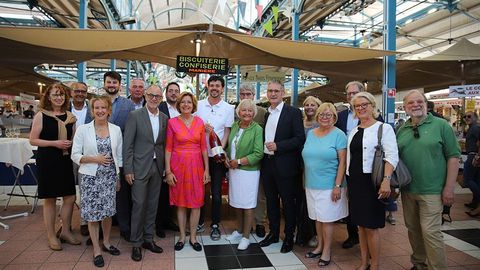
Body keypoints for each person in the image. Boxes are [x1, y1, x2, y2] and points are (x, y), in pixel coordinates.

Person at [397, 90, 460, 270]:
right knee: (413, 230)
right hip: (408, 191)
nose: (415, 105)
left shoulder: (442, 126)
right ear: (405, 107)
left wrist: (449, 188)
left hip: (433, 191)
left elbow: (453, 157)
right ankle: (419, 264)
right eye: (411, 103)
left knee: (431, 233)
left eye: (419, 102)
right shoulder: (402, 129)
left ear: (426, 104)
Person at [347, 91, 398, 270]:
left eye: (364, 104)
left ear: (372, 106)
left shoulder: (383, 128)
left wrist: (386, 180)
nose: (360, 108)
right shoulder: (354, 130)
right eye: (357, 106)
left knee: (371, 227)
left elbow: (392, 156)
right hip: (355, 181)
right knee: (360, 225)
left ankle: (374, 265)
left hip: (372, 182)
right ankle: (363, 262)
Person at [71, 96, 123, 267]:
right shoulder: (83, 130)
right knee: (93, 215)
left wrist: (118, 177)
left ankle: (106, 243)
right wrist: (95, 159)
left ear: (109, 110)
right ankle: (96, 249)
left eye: (103, 108)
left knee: (107, 213)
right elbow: (75, 155)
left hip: (109, 177)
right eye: (96, 108)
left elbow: (119, 157)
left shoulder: (115, 129)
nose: (100, 111)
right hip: (90, 177)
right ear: (92, 111)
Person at [29, 83, 79, 251]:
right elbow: (33, 140)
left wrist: (72, 144)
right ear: (48, 97)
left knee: (70, 197)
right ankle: (51, 234)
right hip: (48, 161)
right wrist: (55, 143)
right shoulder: (41, 116)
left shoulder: (71, 117)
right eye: (55, 95)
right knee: (49, 199)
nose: (59, 98)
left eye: (62, 95)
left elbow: (74, 139)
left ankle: (65, 230)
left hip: (65, 161)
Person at [259, 80, 305, 253]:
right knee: (271, 202)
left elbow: (299, 138)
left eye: (276, 91)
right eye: (270, 91)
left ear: (283, 92)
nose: (272, 94)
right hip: (268, 164)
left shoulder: (292, 113)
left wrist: (279, 146)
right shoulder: (266, 114)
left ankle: (289, 237)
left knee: (287, 203)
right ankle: (273, 233)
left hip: (286, 165)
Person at [123, 84, 168, 261]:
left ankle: (148, 239)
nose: (154, 98)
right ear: (145, 96)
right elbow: (128, 145)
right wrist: (128, 169)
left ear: (161, 98)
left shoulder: (164, 118)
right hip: (139, 167)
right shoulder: (135, 116)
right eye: (151, 95)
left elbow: (163, 144)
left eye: (158, 96)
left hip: (157, 167)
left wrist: (165, 167)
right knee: (139, 205)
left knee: (152, 205)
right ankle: (136, 243)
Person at [302, 102, 348, 267]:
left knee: (327, 220)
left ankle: (327, 251)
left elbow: (342, 162)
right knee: (317, 218)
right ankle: (319, 246)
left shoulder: (339, 135)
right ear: (317, 116)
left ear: (334, 117)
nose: (325, 117)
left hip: (329, 185)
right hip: (311, 183)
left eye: (329, 115)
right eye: (322, 114)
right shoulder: (312, 134)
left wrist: (337, 186)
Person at [165, 92, 210, 252]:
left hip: (197, 166)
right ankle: (183, 236)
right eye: (183, 102)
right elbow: (168, 148)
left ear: (193, 105)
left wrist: (207, 170)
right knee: (181, 203)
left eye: (189, 102)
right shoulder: (172, 122)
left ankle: (193, 237)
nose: (185, 105)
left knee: (196, 203)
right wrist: (168, 171)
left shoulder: (199, 122)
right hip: (178, 166)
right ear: (179, 105)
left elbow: (204, 148)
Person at [196, 75, 235, 240]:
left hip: (216, 157)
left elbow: (226, 132)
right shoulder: (198, 105)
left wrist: (220, 150)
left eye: (217, 86)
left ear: (222, 88)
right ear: (207, 87)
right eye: (211, 85)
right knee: (199, 191)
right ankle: (198, 221)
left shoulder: (228, 108)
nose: (214, 88)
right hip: (198, 155)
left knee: (217, 193)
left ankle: (215, 224)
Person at [224, 99, 264, 250]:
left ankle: (246, 237)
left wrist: (239, 161)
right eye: (244, 110)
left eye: (250, 110)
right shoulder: (235, 125)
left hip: (249, 172)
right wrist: (227, 158)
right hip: (234, 171)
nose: (247, 113)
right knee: (236, 202)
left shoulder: (257, 129)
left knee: (247, 204)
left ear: (254, 113)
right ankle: (239, 230)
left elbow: (258, 153)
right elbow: (230, 146)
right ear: (238, 112)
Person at [103, 71, 135, 242]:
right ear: (104, 83)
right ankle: (100, 228)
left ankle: (124, 227)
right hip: (100, 154)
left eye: (115, 82)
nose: (111, 85)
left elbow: (130, 131)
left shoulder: (128, 104)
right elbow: (87, 125)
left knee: (121, 192)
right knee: (102, 191)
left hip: (121, 153)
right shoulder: (97, 102)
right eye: (109, 82)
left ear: (119, 85)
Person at [238, 84, 267, 238]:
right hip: (240, 163)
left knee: (259, 193)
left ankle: (260, 222)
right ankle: (243, 225)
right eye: (242, 94)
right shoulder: (236, 112)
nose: (245, 97)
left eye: (248, 94)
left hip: (258, 159)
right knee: (241, 193)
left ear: (254, 95)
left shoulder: (263, 113)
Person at [156, 81, 181, 238]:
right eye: (170, 90)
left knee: (174, 189)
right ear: (166, 93)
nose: (173, 93)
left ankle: (168, 219)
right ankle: (159, 223)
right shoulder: (159, 109)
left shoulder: (182, 109)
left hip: (178, 157)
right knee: (160, 191)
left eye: (176, 91)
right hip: (162, 154)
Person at [69, 81, 93, 237]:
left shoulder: (92, 108)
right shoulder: (65, 108)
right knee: (68, 191)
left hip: (88, 155)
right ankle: (65, 224)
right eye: (76, 91)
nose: (79, 94)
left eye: (83, 91)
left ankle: (84, 221)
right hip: (67, 155)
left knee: (86, 190)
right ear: (71, 92)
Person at [298, 96, 322, 247]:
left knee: (315, 201)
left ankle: (316, 234)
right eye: (307, 105)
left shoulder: (321, 124)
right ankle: (303, 232)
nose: (309, 107)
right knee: (302, 202)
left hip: (315, 167)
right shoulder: (300, 123)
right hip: (300, 166)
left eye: (313, 105)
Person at [464, 112, 480, 215]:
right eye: (464, 116)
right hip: (473, 155)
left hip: (473, 155)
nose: (466, 118)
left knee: (468, 179)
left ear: (476, 117)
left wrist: (478, 156)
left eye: (469, 116)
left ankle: (478, 200)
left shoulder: (475, 128)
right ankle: (475, 202)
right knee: (476, 180)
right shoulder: (472, 128)